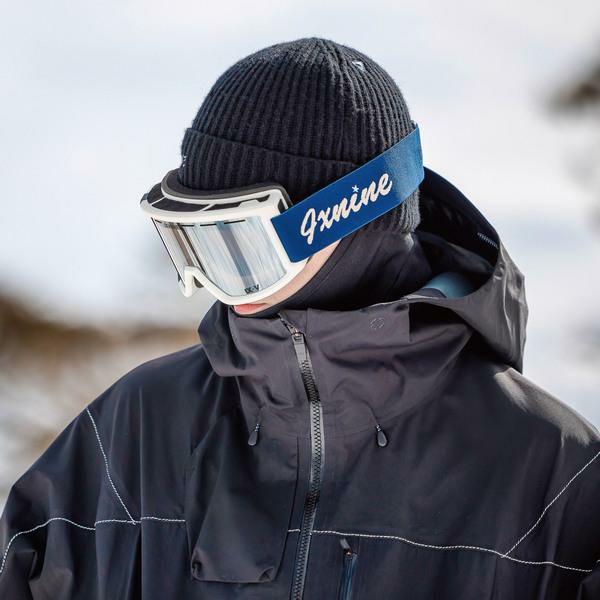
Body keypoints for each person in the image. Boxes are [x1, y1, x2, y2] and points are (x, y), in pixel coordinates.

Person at [1, 36, 599, 600]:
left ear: (349, 215)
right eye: (192, 244)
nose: (214, 285)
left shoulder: (553, 473)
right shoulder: (135, 428)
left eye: (239, 245)